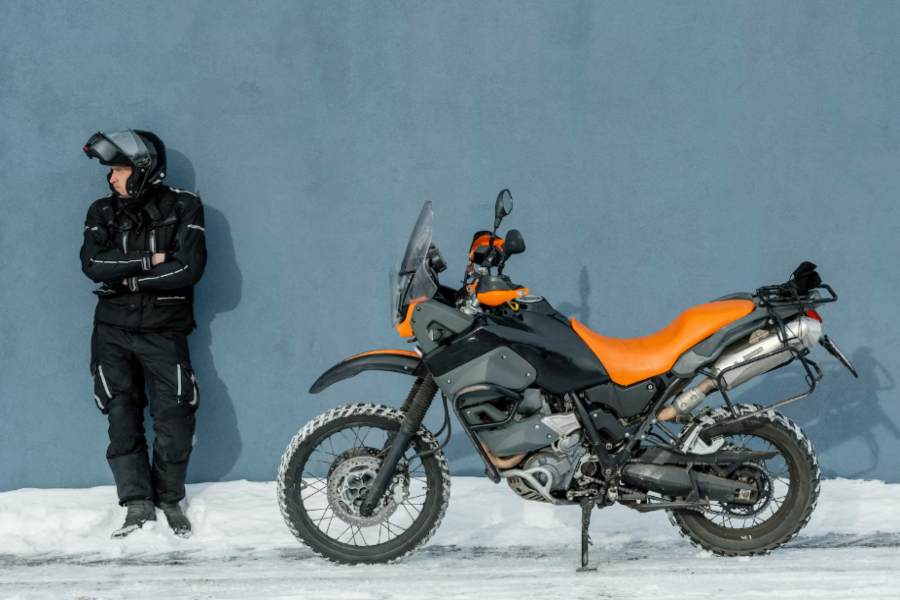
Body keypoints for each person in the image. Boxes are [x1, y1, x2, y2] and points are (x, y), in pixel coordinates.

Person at [80, 130, 207, 538]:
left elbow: (188, 269)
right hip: (112, 330)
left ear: (143, 169)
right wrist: (151, 259)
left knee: (176, 414)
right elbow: (94, 264)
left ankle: (169, 497)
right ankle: (136, 502)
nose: (111, 178)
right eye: (111, 170)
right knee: (120, 412)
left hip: (164, 330)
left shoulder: (184, 206)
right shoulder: (102, 210)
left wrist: (130, 279)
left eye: (119, 169)